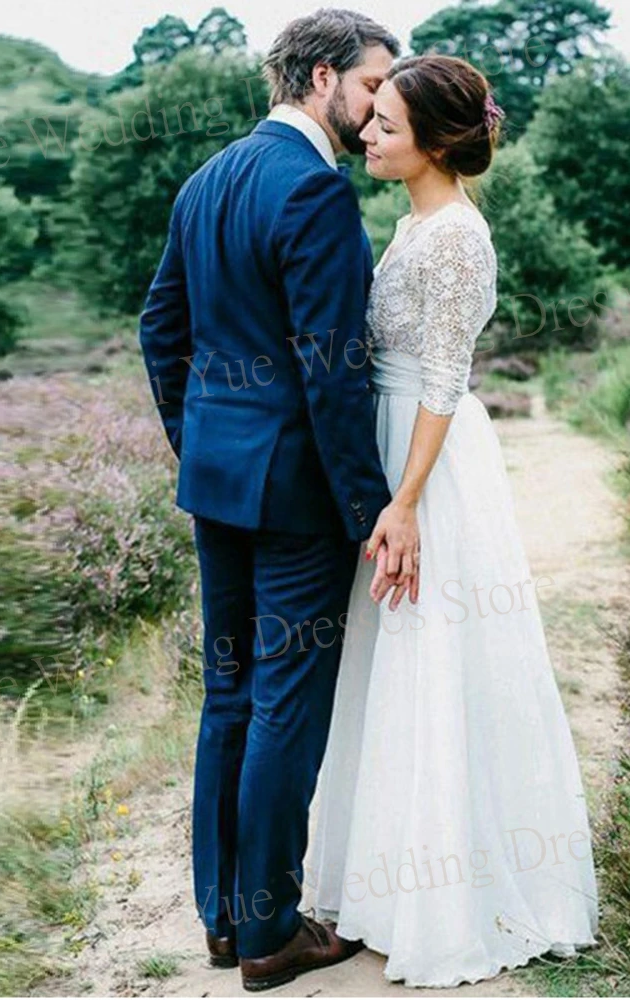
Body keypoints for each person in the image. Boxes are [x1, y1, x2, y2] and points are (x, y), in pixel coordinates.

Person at [301, 54, 600, 987]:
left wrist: (405, 504)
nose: (366, 135)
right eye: (371, 118)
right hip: (394, 449)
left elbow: (442, 381)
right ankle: (389, 881)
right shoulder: (413, 224)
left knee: (435, 655)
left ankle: (452, 895)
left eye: (386, 125)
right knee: (389, 668)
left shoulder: (458, 237)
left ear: (435, 142)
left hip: (426, 461)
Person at [137, 8, 419, 994]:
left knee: (230, 696)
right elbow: (334, 375)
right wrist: (371, 510)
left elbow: (157, 328)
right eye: (375, 79)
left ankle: (223, 921)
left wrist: (204, 444)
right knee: (284, 707)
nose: (385, 98)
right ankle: (269, 933)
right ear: (320, 77)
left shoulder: (208, 177)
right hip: (298, 499)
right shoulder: (312, 190)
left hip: (218, 486)